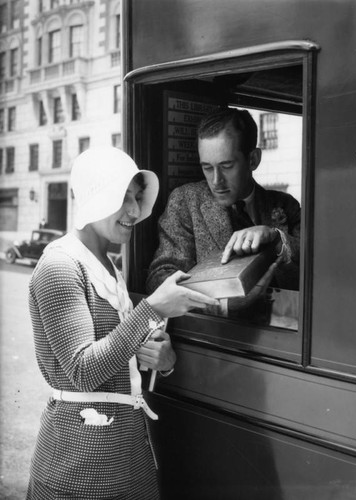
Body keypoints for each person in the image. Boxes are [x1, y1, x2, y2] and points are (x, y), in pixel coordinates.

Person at [26, 147, 217, 499]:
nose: (134, 210)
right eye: (122, 198)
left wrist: (164, 361)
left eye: (137, 197)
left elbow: (119, 362)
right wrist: (154, 308)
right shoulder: (60, 266)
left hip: (128, 462)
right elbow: (82, 371)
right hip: (78, 469)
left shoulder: (106, 265)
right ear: (93, 198)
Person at [146, 108, 301, 320]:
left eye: (226, 166)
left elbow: (316, 269)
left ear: (253, 160)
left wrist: (277, 241)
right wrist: (223, 304)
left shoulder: (285, 205)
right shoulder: (185, 202)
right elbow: (160, 278)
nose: (216, 181)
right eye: (207, 168)